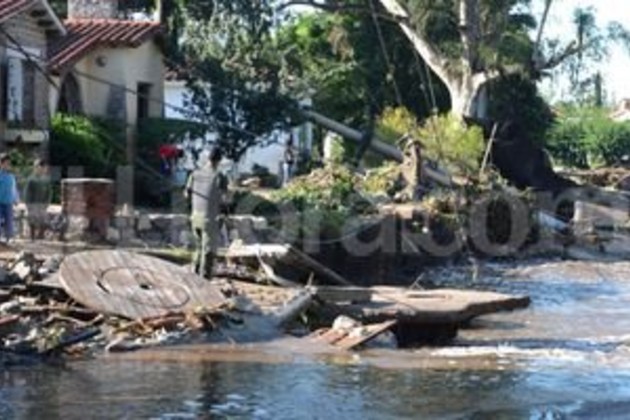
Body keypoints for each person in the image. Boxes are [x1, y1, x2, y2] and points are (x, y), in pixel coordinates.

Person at [184, 147, 228, 278]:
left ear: (208, 158)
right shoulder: (220, 176)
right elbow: (225, 198)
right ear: (219, 160)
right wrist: (224, 213)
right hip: (210, 220)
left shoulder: (194, 174)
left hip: (195, 217)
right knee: (208, 252)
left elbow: (186, 194)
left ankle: (194, 277)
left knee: (198, 249)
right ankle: (204, 282)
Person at [24, 159, 52, 240]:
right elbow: (27, 193)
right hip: (33, 203)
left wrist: (47, 202)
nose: (43, 169)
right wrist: (28, 204)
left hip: (42, 203)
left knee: (43, 220)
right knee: (32, 220)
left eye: (44, 167)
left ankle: (40, 235)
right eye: (40, 167)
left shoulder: (46, 179)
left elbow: (49, 192)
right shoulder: (31, 179)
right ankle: (32, 236)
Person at [0, 154, 19, 242]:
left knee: (9, 221)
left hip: (8, 202)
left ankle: (9, 238)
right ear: (1, 164)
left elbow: (14, 189)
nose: (7, 165)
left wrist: (16, 199)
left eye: (9, 163)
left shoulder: (11, 176)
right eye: (5, 163)